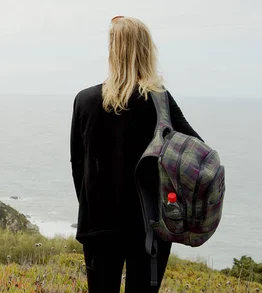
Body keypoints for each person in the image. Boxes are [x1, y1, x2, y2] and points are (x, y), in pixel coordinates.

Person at [70, 16, 202, 292]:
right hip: (150, 225)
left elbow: (78, 166)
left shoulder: (85, 100)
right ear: (146, 51)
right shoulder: (160, 100)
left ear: (113, 51)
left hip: (99, 225)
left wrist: (93, 207)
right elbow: (198, 155)